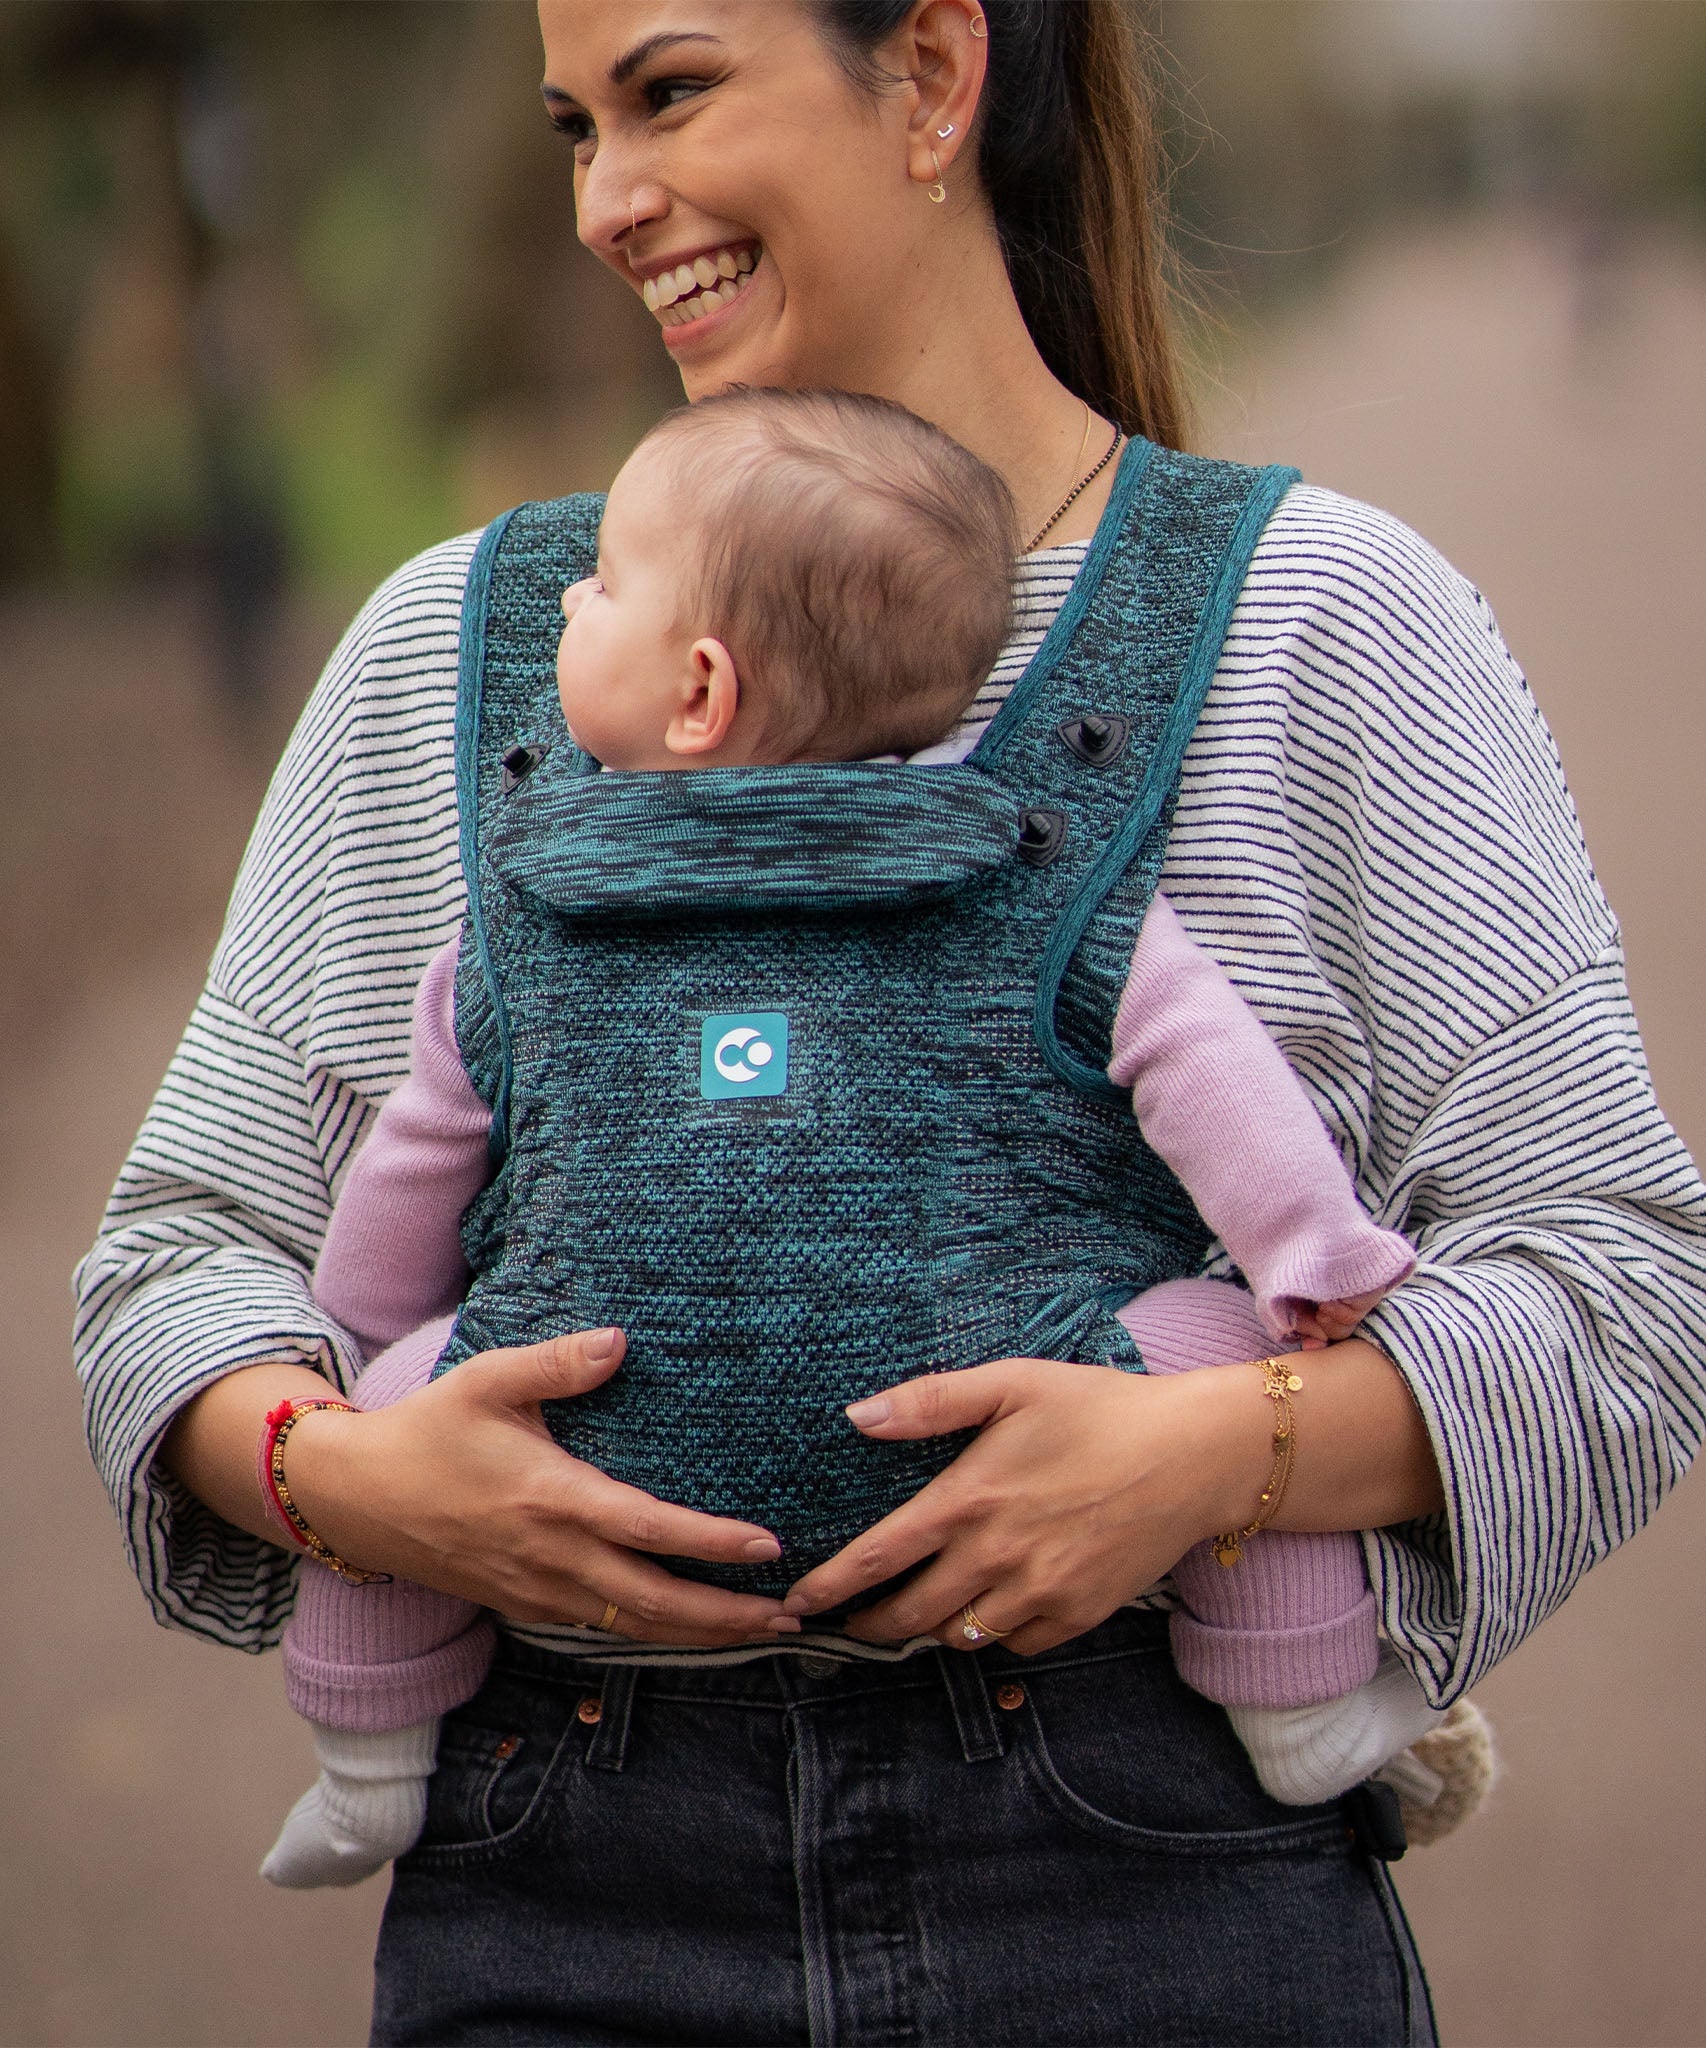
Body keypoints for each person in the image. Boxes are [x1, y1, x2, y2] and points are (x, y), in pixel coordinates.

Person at [73, 3, 1706, 2042]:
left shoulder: (1327, 624)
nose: (605, 200)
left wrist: (1219, 1450)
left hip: (1157, 1898)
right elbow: (174, 1263)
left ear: (932, 76)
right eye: (574, 128)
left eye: (669, 95)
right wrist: (358, 1482)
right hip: (559, 1903)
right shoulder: (459, 655)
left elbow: (1624, 1290)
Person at [257, 385, 1431, 1891]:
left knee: (406, 1416)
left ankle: (367, 1763)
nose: (565, 590)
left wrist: (354, 1353)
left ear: (696, 688)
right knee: (1224, 1357)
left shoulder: (520, 925)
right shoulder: (1029, 884)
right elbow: (1203, 1063)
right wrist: (1306, 1255)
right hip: (991, 1414)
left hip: (603, 1437)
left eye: (604, 578)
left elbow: (412, 1168)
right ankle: (1300, 1702)